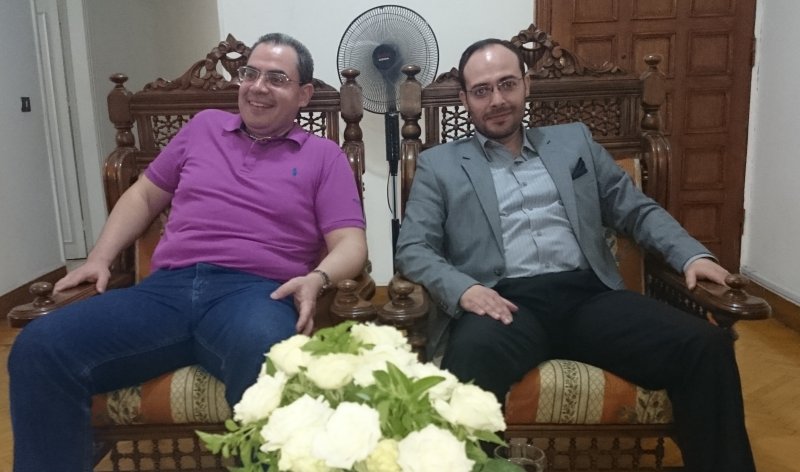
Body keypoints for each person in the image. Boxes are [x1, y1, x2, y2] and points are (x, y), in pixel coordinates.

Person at [8, 33, 367, 471]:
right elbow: (144, 196)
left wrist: (317, 278)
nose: (258, 87)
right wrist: (99, 257)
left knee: (269, 354)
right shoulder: (203, 129)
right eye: (250, 74)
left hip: (255, 295)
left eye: (277, 79)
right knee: (39, 347)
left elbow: (350, 242)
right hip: (165, 292)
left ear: (304, 95)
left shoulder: (324, 156)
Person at [394, 38, 754, 472]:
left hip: (589, 298)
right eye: (482, 90)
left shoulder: (574, 142)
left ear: (526, 85)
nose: (497, 100)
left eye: (507, 84)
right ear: (464, 98)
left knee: (705, 346)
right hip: (504, 303)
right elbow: (413, 247)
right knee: (470, 362)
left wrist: (690, 256)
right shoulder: (440, 165)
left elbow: (635, 210)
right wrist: (464, 289)